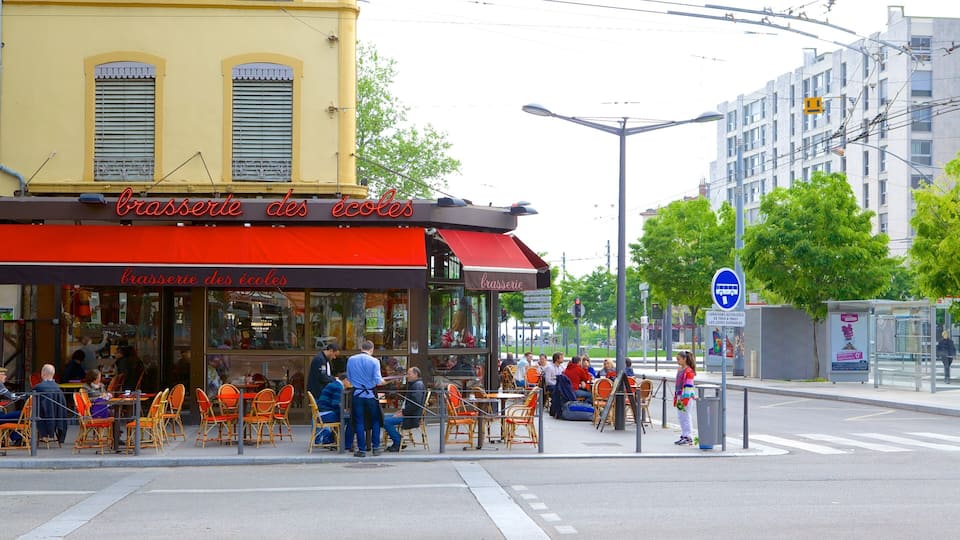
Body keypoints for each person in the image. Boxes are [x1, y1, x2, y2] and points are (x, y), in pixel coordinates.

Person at [345, 339, 384, 457]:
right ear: (371, 350)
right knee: (375, 420)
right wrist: (384, 381)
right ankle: (375, 447)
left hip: (357, 394)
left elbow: (350, 379)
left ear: (361, 348)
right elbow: (378, 381)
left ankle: (361, 450)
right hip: (370, 395)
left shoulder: (351, 360)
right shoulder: (375, 361)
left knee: (359, 421)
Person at [383, 366, 426, 452]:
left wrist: (403, 412)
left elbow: (415, 404)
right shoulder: (416, 385)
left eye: (409, 374)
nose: (407, 376)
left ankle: (398, 442)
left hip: (411, 415)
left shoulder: (417, 386)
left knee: (385, 421)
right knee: (384, 418)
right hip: (409, 413)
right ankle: (398, 441)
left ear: (415, 374)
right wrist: (402, 411)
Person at [33, 364, 68, 445]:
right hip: (58, 416)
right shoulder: (58, 388)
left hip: (42, 417)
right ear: (53, 374)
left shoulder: (38, 387)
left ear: (43, 373)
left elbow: (29, 401)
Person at [674, 351, 696, 446]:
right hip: (680, 396)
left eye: (679, 359)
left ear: (684, 359)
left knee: (686, 416)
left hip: (685, 396)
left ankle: (688, 436)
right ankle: (684, 435)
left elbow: (688, 385)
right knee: (681, 416)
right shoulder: (680, 370)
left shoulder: (689, 371)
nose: (677, 361)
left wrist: (685, 399)